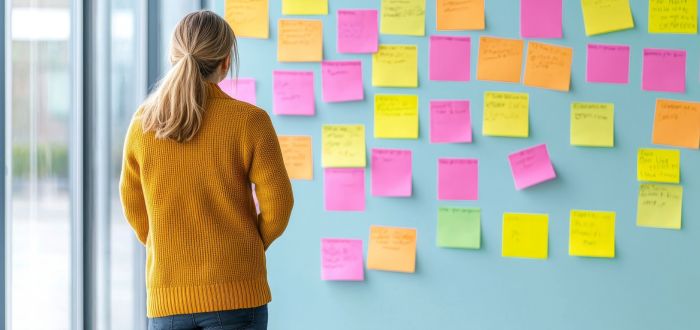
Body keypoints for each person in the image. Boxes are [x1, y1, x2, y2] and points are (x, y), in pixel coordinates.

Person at [119, 10, 294, 330]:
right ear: (226, 62)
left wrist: (166, 241)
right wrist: (251, 243)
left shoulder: (142, 124)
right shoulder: (250, 121)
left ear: (174, 57)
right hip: (237, 293)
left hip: (167, 299)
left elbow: (132, 205)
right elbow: (279, 205)